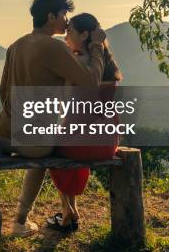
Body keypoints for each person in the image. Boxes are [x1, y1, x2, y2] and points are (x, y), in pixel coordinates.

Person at [0, 0, 106, 237]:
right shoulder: (53, 47)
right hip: (32, 141)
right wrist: (97, 47)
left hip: (2, 133)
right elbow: (90, 81)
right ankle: (23, 220)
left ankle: (61, 213)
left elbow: (3, 92)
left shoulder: (15, 45)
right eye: (64, 14)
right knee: (54, 147)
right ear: (51, 16)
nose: (67, 21)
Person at [46, 13, 123, 232]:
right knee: (71, 143)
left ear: (85, 34)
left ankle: (68, 209)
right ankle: (70, 210)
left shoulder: (79, 63)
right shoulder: (107, 64)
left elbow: (75, 116)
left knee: (49, 148)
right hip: (108, 140)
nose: (65, 36)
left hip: (86, 141)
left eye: (69, 31)